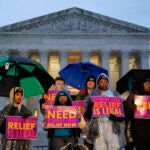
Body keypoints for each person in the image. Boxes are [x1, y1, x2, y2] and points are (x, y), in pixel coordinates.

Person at [84, 73, 125, 150]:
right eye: (101, 82)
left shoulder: (114, 93)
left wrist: (117, 117)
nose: (104, 83)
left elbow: (121, 111)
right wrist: (90, 107)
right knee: (99, 147)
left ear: (108, 82)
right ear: (98, 83)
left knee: (114, 146)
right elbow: (86, 114)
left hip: (112, 125)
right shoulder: (93, 94)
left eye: (105, 81)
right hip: (98, 125)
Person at [126, 77, 150, 150]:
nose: (149, 85)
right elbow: (128, 110)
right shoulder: (133, 96)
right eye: (147, 84)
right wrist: (131, 106)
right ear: (141, 85)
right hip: (139, 127)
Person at [75, 75, 96, 150]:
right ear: (86, 83)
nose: (90, 82)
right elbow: (77, 104)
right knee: (87, 146)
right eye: (88, 81)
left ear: (95, 84)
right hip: (85, 124)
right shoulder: (82, 93)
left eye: (92, 81)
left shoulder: (98, 94)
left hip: (96, 124)